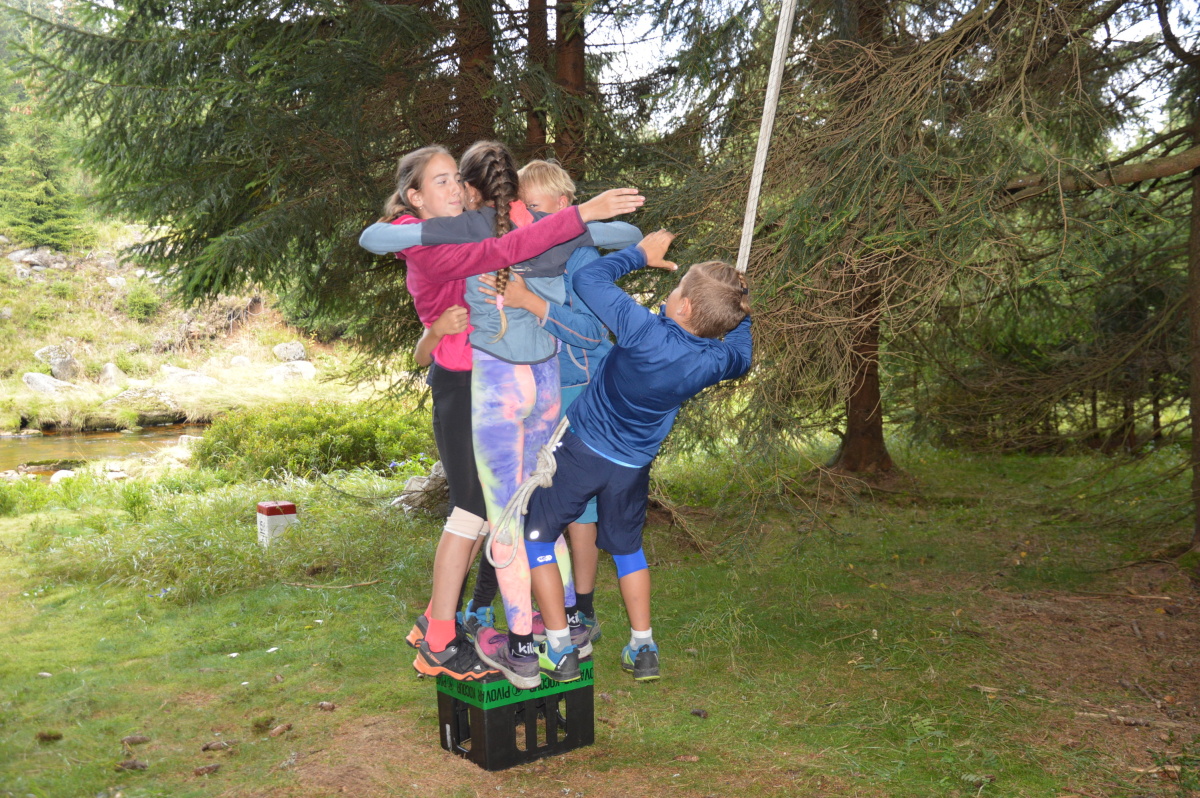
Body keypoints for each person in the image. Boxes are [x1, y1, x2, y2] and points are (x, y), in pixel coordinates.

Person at [357, 145, 643, 682]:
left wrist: (580, 222)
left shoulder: (472, 224)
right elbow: (501, 247)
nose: (452, 189)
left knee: (495, 513)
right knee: (473, 513)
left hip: (493, 379)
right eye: (439, 182)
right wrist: (579, 216)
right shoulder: (434, 244)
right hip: (466, 384)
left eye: (454, 178)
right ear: (414, 197)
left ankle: (462, 625)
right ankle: (443, 637)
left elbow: (543, 237)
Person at [521, 230, 753, 682]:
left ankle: (559, 648)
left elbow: (588, 279)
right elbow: (742, 355)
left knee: (537, 535)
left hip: (582, 452)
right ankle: (643, 647)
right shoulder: (714, 361)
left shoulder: (642, 329)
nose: (671, 293)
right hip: (631, 469)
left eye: (677, 289)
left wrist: (639, 255)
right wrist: (741, 313)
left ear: (684, 307)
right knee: (628, 550)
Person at [476, 159, 610, 650]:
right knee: (521, 503)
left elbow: (593, 333)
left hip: (580, 395)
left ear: (564, 205)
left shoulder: (581, 257)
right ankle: (502, 607)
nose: (527, 219)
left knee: (576, 512)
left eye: (535, 208)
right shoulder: (528, 252)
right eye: (521, 208)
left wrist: (529, 301)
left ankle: (579, 613)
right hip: (540, 392)